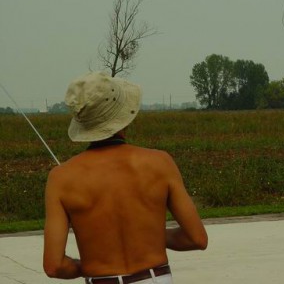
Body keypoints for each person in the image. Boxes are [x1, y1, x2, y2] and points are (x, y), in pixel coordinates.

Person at [43, 72, 208, 283]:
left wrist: (89, 264)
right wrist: (150, 234)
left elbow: (54, 266)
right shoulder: (160, 163)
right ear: (123, 118)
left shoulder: (60, 178)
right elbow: (197, 238)